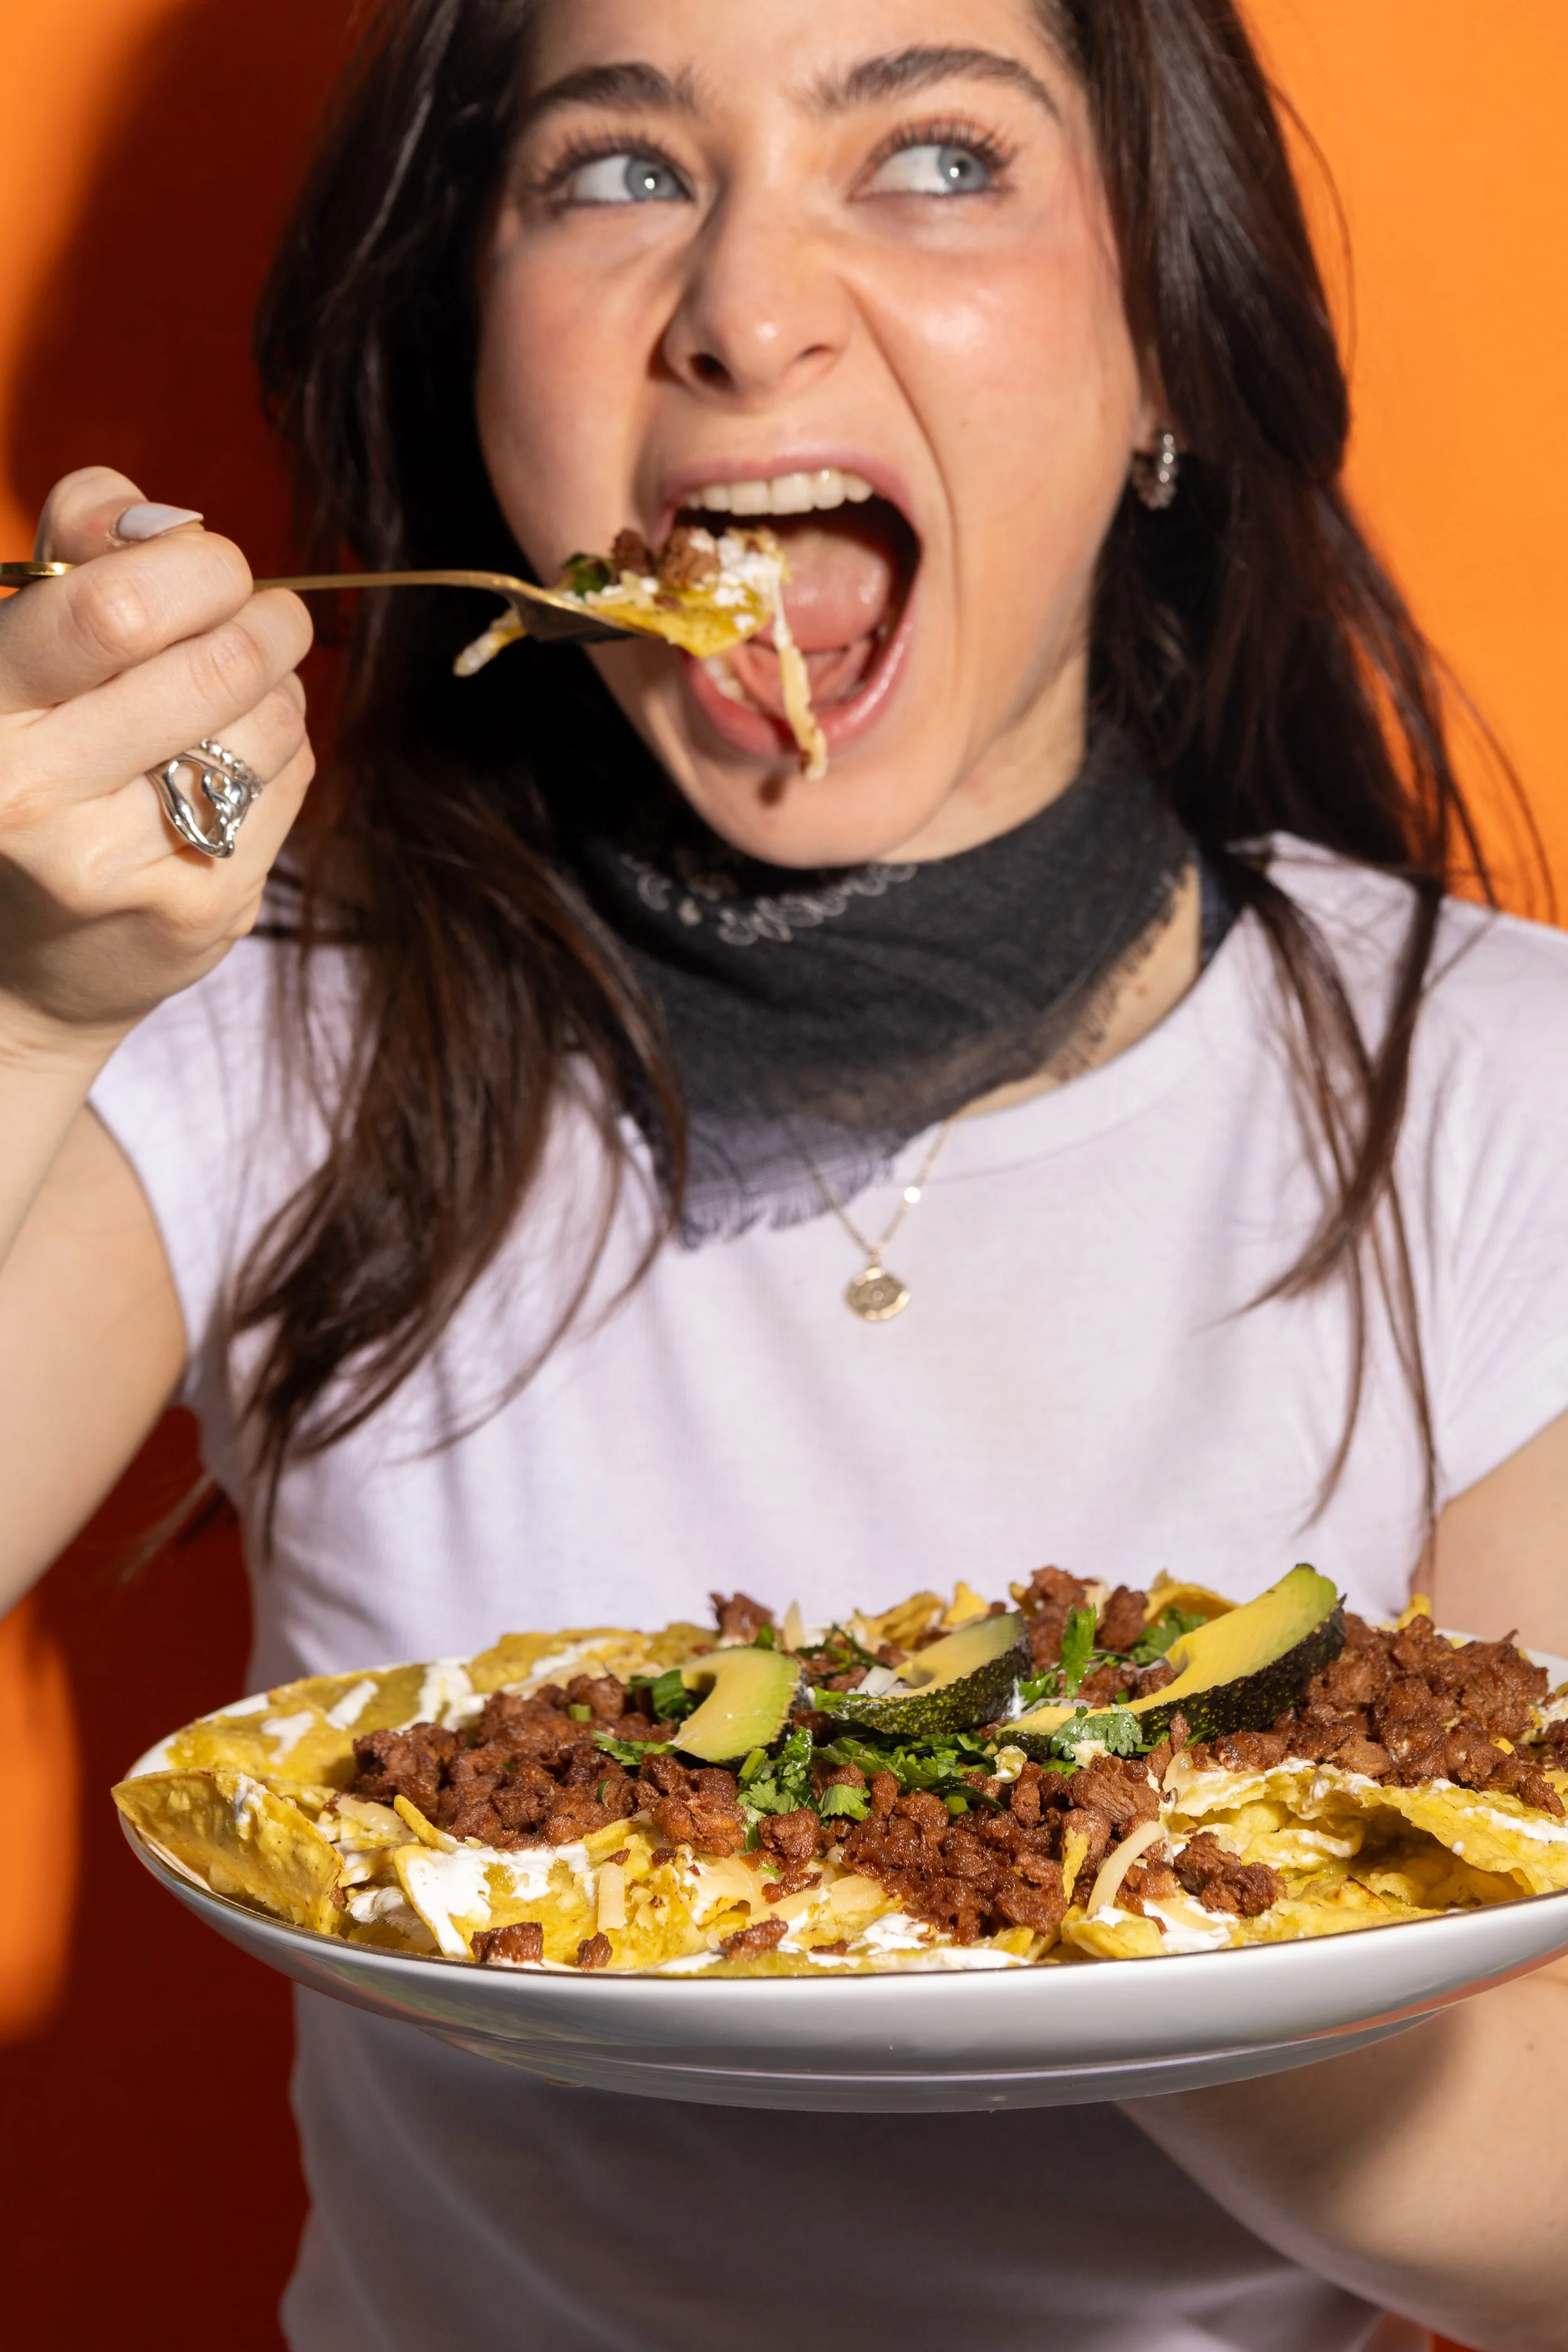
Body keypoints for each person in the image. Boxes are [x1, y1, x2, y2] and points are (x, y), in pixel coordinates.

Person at [1, 1, 1565, 2345]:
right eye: (617, 168)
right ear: (474, 359)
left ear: (1162, 349)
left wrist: (973, 1847)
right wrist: (35, 1002)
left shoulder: (1496, 1083)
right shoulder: (275, 1023)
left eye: (936, 154)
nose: (742, 308)